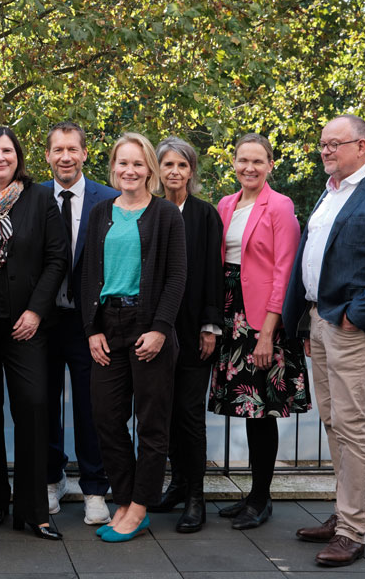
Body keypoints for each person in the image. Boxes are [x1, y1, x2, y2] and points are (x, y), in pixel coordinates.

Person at [283, 115, 365, 567]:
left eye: (334, 144)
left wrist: (354, 317)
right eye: (322, 144)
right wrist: (309, 321)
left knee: (352, 426)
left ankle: (353, 531)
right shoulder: (329, 194)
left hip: (349, 328)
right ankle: (343, 514)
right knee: (334, 423)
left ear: (361, 147)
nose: (325, 151)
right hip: (319, 324)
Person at [0, 126, 68, 540]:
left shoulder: (40, 198)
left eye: (7, 150)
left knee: (34, 407)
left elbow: (57, 259)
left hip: (28, 326)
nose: (0, 157)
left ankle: (34, 511)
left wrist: (36, 311)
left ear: (18, 156)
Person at [80, 132, 186, 543]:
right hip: (107, 326)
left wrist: (160, 329)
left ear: (150, 171)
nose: (130, 170)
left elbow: (177, 276)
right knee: (106, 417)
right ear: (113, 168)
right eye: (123, 163)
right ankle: (123, 499)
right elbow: (88, 273)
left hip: (149, 328)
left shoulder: (165, 215)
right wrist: (91, 330)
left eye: (138, 164)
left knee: (151, 423)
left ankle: (140, 506)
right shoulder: (100, 212)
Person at [208, 133, 309, 530]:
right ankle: (252, 494)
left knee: (262, 409)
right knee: (247, 410)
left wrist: (267, 332)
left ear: (270, 165)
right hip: (233, 312)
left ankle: (261, 498)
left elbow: (285, 272)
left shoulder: (280, 206)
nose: (248, 167)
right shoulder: (226, 204)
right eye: (242, 160)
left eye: (257, 161)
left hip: (262, 319)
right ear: (233, 163)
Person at [41, 121, 117, 525]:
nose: (66, 157)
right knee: (43, 407)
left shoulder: (109, 199)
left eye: (73, 149)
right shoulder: (33, 198)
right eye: (58, 150)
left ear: (85, 154)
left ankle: (94, 488)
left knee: (93, 409)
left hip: (92, 324)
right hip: (43, 323)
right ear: (48, 156)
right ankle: (52, 481)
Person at [150, 137, 223, 533]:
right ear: (156, 170)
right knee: (167, 412)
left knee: (191, 415)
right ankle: (176, 485)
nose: (174, 171)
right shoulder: (150, 211)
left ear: (191, 171)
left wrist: (211, 326)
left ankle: (196, 498)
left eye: (182, 165)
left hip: (195, 329)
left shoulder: (204, 215)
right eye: (168, 165)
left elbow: (214, 273)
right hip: (157, 330)